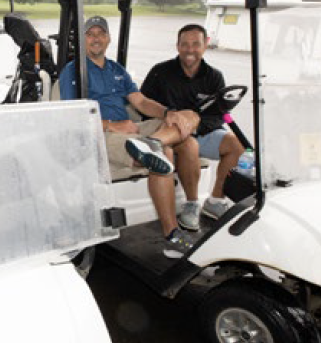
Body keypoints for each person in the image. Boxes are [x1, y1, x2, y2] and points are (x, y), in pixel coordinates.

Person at [59, 16, 202, 258]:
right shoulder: (73, 70)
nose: (96, 38)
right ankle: (171, 235)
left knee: (189, 120)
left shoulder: (116, 69)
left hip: (131, 129)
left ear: (108, 38)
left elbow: (141, 102)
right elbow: (72, 115)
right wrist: (113, 125)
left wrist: (169, 113)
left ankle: (154, 142)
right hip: (99, 132)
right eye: (90, 34)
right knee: (164, 154)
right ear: (83, 39)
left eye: (100, 33)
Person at [141, 23, 244, 225]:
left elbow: (219, 116)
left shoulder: (215, 77)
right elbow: (143, 106)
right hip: (169, 133)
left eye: (195, 44)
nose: (190, 50)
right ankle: (192, 203)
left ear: (205, 45)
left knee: (236, 145)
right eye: (184, 44)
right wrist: (174, 119)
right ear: (177, 46)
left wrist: (194, 124)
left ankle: (215, 200)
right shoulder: (160, 72)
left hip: (201, 131)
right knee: (190, 145)